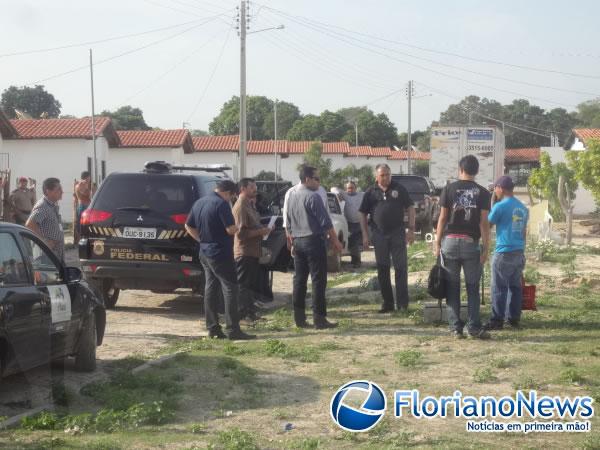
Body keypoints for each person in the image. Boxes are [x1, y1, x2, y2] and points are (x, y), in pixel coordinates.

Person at [185, 180, 255, 340]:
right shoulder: (222, 204)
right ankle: (233, 329)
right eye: (232, 197)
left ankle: (212, 327)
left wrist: (202, 240)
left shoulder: (199, 202)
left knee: (210, 288)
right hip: (220, 253)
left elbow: (188, 226)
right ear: (229, 193)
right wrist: (238, 227)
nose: (232, 200)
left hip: (204, 252)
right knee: (231, 289)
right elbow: (230, 230)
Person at [434, 155, 491, 339]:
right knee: (472, 287)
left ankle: (455, 328)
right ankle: (473, 327)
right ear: (477, 171)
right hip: (470, 243)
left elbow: (442, 218)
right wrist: (486, 247)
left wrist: (436, 242)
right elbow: (484, 222)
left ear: (460, 169)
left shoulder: (449, 189)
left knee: (452, 286)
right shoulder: (483, 193)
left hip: (449, 242)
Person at [286, 165, 343, 329]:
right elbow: (326, 223)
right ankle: (319, 318)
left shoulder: (292, 197)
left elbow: (288, 223)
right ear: (307, 179)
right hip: (313, 241)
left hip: (298, 241)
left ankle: (299, 318)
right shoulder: (313, 197)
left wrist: (292, 241)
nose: (319, 182)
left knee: (299, 280)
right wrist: (336, 241)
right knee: (318, 281)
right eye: (316, 179)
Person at [359, 164, 415, 313]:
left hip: (397, 233)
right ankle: (387, 303)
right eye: (382, 175)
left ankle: (402, 304)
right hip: (379, 235)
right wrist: (365, 235)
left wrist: (411, 229)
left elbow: (410, 207)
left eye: (388, 174)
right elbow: (362, 213)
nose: (386, 177)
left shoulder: (399, 189)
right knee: (383, 269)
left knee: (400, 268)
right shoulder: (370, 192)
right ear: (376, 177)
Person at [484, 176, 528, 330]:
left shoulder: (500, 206)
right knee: (515, 287)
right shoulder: (523, 208)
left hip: (503, 252)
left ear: (500, 188)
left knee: (499, 287)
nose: (494, 190)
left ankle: (497, 321)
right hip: (519, 252)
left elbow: (487, 225)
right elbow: (523, 233)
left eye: (495, 188)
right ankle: (514, 319)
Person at [232, 178, 272, 321]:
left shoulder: (249, 204)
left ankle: (250, 313)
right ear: (243, 189)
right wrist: (261, 232)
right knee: (243, 285)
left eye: (255, 187)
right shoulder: (241, 206)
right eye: (251, 187)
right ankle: (242, 315)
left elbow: (252, 225)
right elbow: (241, 234)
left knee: (250, 285)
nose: (255, 190)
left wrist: (263, 229)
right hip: (244, 251)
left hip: (253, 251)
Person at [26, 178, 65, 262]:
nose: (62, 192)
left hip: (55, 255)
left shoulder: (52, 205)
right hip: (46, 256)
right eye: (59, 189)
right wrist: (45, 242)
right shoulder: (43, 206)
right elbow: (29, 225)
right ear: (48, 191)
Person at [342, 181, 364, 268]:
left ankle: (356, 261)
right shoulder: (344, 195)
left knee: (356, 242)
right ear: (346, 189)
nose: (350, 190)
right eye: (348, 188)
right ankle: (355, 261)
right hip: (349, 223)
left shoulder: (361, 195)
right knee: (352, 242)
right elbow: (333, 189)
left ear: (356, 188)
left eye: (352, 188)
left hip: (360, 222)